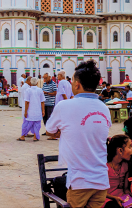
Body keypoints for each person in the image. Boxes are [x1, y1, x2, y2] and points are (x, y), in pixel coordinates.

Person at [45, 60, 111, 208]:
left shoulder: (65, 106)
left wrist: (64, 132)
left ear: (76, 84)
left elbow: (50, 130)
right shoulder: (103, 108)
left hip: (80, 181)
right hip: (101, 181)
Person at [106, 134, 132, 208]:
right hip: (107, 198)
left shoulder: (125, 166)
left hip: (122, 197)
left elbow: (125, 189)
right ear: (120, 150)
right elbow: (98, 192)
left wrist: (131, 196)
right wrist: (114, 198)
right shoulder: (105, 167)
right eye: (129, 147)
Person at [42, 73, 58, 139]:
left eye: (45, 78)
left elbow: (55, 93)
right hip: (44, 104)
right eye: (44, 78)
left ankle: (52, 132)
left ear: (49, 77)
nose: (44, 79)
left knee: (49, 118)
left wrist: (47, 93)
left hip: (50, 104)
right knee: (44, 118)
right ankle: (47, 130)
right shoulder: (44, 84)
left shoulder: (53, 84)